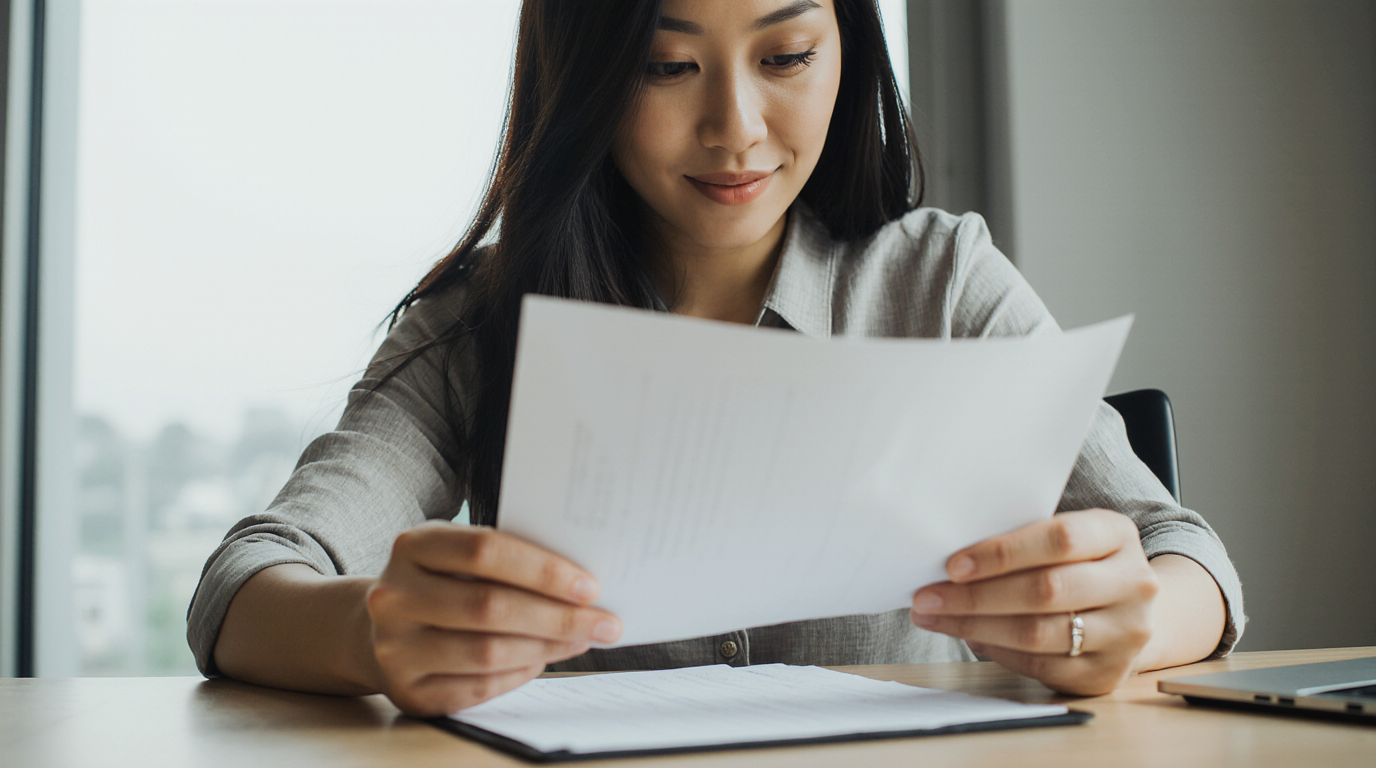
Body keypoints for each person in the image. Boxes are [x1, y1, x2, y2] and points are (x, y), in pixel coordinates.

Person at [189, 0, 1244, 717]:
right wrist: (374, 634)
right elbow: (243, 586)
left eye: (785, 57)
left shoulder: (937, 281)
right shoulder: (487, 319)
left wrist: (1126, 619)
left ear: (847, 49)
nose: (734, 128)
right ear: (589, 69)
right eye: (666, 65)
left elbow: (1187, 556)